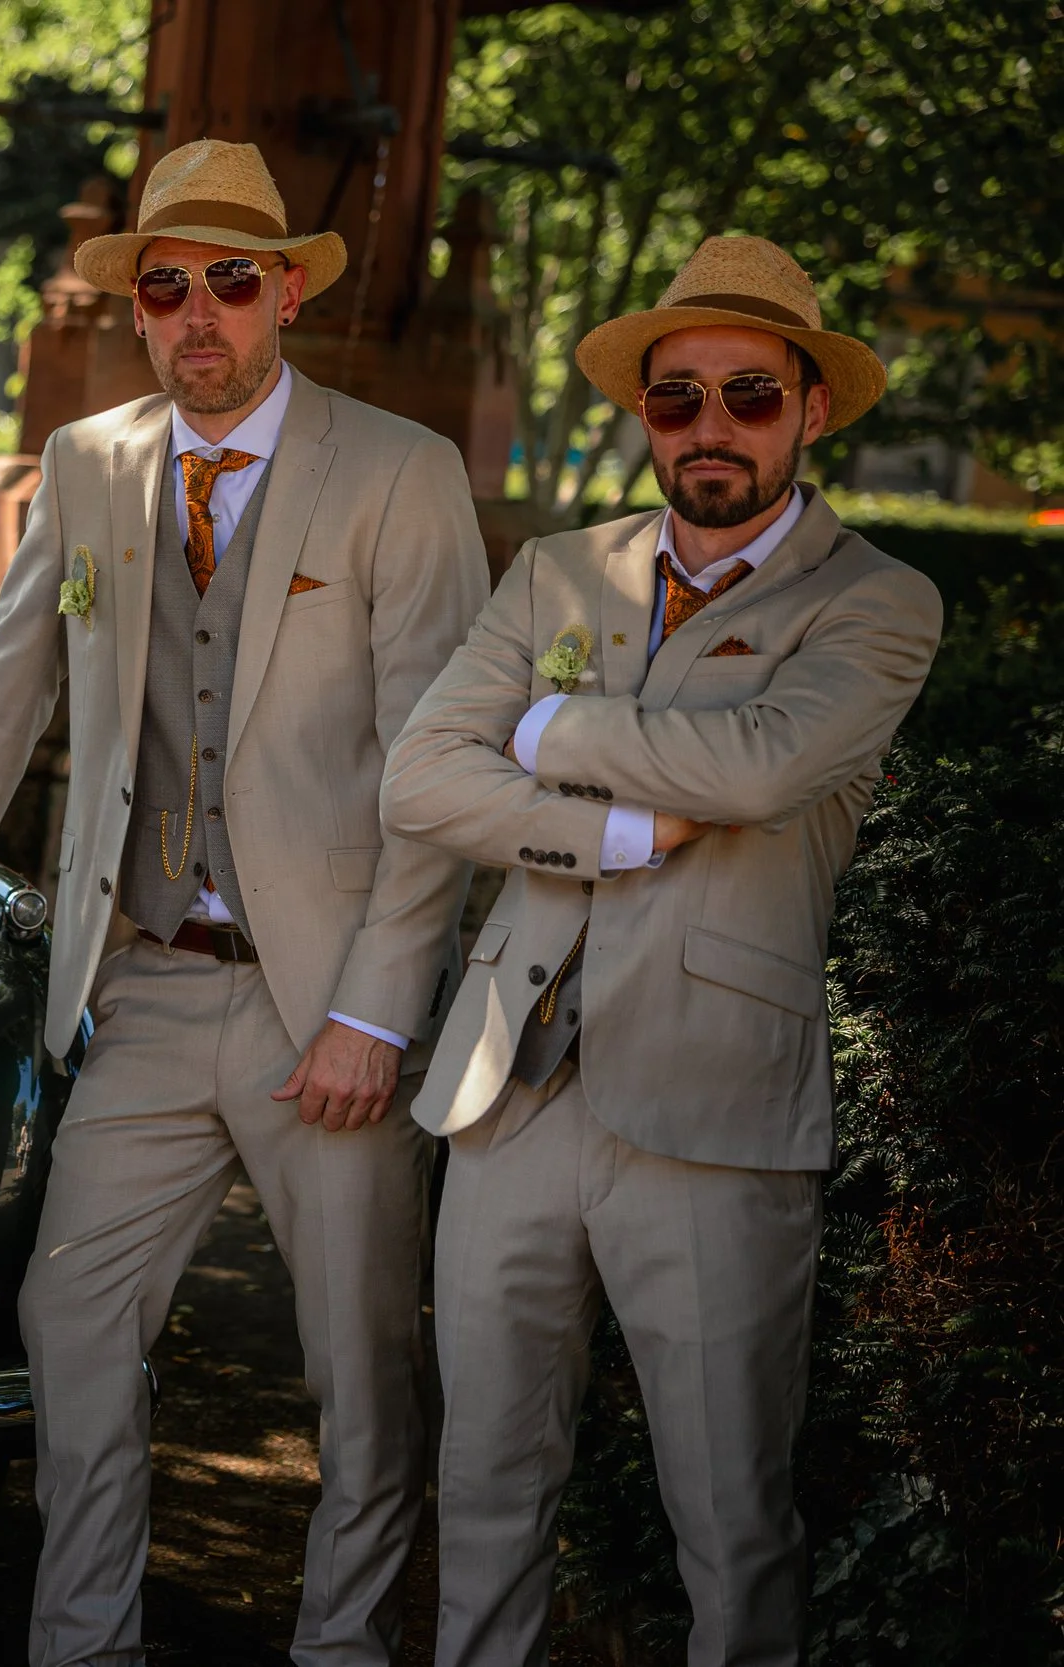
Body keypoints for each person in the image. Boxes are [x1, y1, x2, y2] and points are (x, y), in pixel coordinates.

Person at [0, 138, 489, 1667]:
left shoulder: (400, 471)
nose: (200, 313)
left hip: (330, 995)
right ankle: (87, 1645)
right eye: (168, 288)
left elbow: (441, 767)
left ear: (285, 291)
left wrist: (374, 1009)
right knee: (69, 1323)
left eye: (232, 281)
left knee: (359, 1372)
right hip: (142, 981)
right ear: (137, 309)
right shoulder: (86, 466)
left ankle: (341, 1647)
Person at [381, 234, 944, 1667]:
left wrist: (549, 729)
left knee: (731, 1520)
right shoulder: (560, 570)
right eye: (678, 398)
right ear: (648, 413)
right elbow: (420, 779)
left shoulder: (877, 600)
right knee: (489, 1487)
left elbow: (762, 768)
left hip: (715, 1112)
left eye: (750, 394)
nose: (709, 427)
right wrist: (619, 833)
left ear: (814, 408)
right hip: (506, 1092)